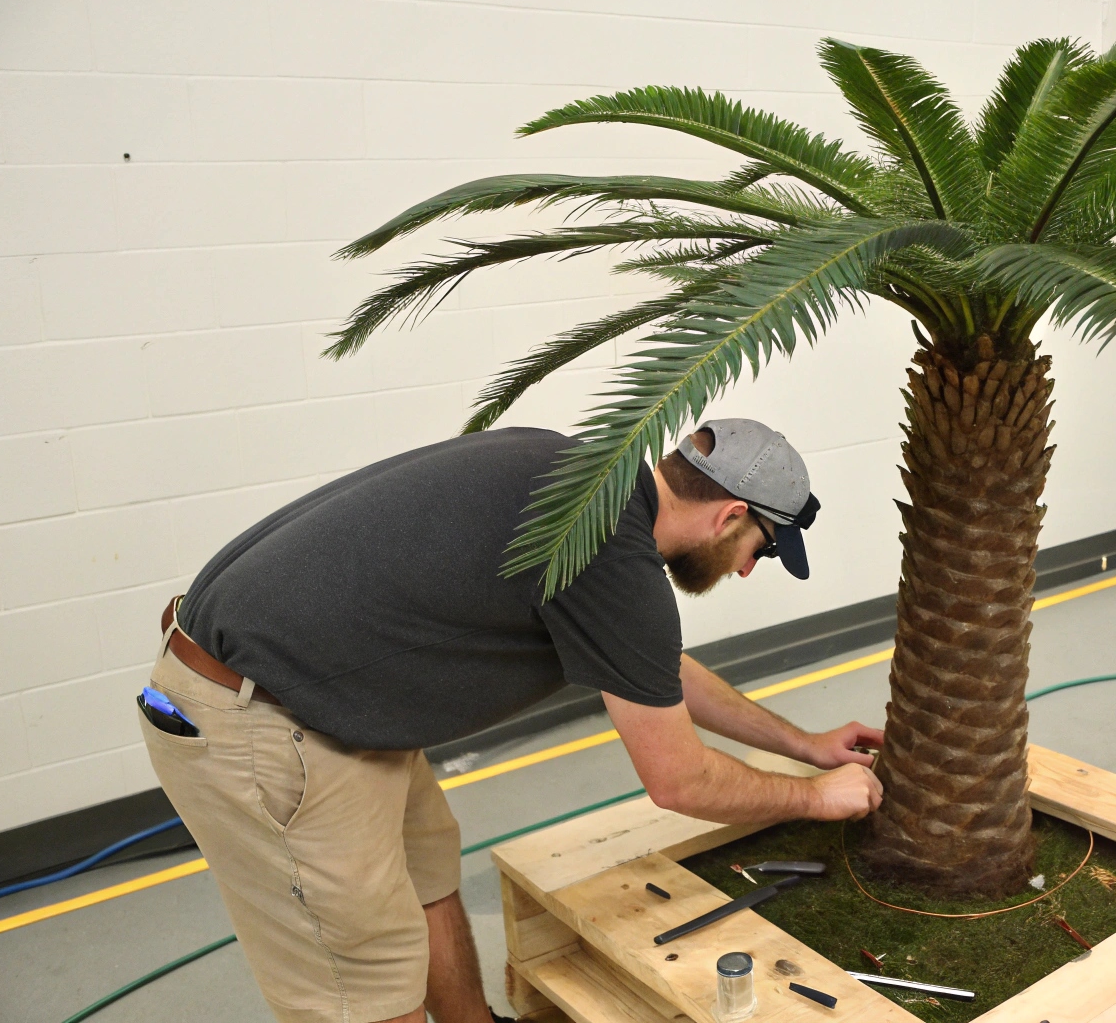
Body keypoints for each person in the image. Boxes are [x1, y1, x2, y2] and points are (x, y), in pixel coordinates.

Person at [136, 418, 884, 1023]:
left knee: (426, 863)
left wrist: (803, 744)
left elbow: (650, 669)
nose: (748, 569)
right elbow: (678, 780)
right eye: (759, 548)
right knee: (360, 980)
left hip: (328, 701)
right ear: (729, 515)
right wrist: (815, 799)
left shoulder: (580, 476)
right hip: (259, 719)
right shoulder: (611, 557)